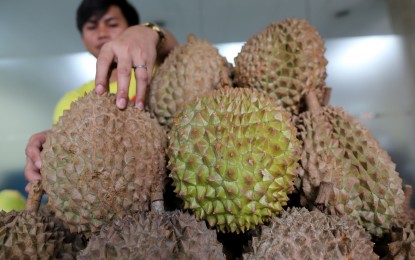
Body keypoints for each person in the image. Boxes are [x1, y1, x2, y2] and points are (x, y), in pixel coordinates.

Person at [24, 0, 179, 191]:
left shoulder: (158, 72)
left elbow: (177, 50)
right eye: (91, 27)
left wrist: (149, 32)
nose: (102, 33)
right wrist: (53, 150)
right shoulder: (71, 100)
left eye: (112, 24)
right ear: (83, 39)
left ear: (130, 27)